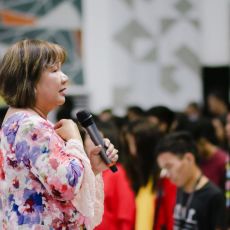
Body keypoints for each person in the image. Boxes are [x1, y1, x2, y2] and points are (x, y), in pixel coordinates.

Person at [0, 39, 119, 230]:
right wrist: (74, 139)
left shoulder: (18, 122)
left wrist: (91, 166)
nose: (65, 78)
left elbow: (46, 185)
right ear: (29, 80)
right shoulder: (31, 126)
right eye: (54, 71)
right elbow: (65, 185)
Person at [155, 131, 227, 230]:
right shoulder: (178, 188)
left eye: (169, 166)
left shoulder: (213, 196)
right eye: (163, 168)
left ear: (189, 159)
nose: (167, 173)